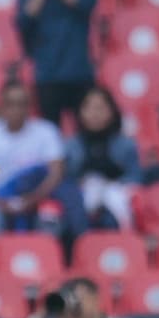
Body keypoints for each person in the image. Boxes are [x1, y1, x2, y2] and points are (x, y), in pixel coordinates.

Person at [0, 82, 90, 248]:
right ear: (1, 107)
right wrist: (1, 205)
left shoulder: (46, 132)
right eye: (11, 104)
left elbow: (55, 174)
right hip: (0, 200)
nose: (17, 110)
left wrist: (32, 199)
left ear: (30, 107)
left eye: (22, 104)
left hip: (40, 198)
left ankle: (43, 261)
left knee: (50, 216)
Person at [18, 0, 97, 126]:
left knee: (86, 126)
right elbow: (25, 19)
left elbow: (84, 2)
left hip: (79, 70)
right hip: (48, 72)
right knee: (50, 128)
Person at [64, 86, 140, 231]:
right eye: (89, 108)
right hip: (81, 198)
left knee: (110, 220)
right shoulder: (71, 146)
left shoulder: (126, 144)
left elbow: (135, 177)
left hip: (117, 196)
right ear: (80, 113)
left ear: (111, 112)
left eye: (100, 108)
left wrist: (111, 187)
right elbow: (66, 179)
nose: (95, 114)